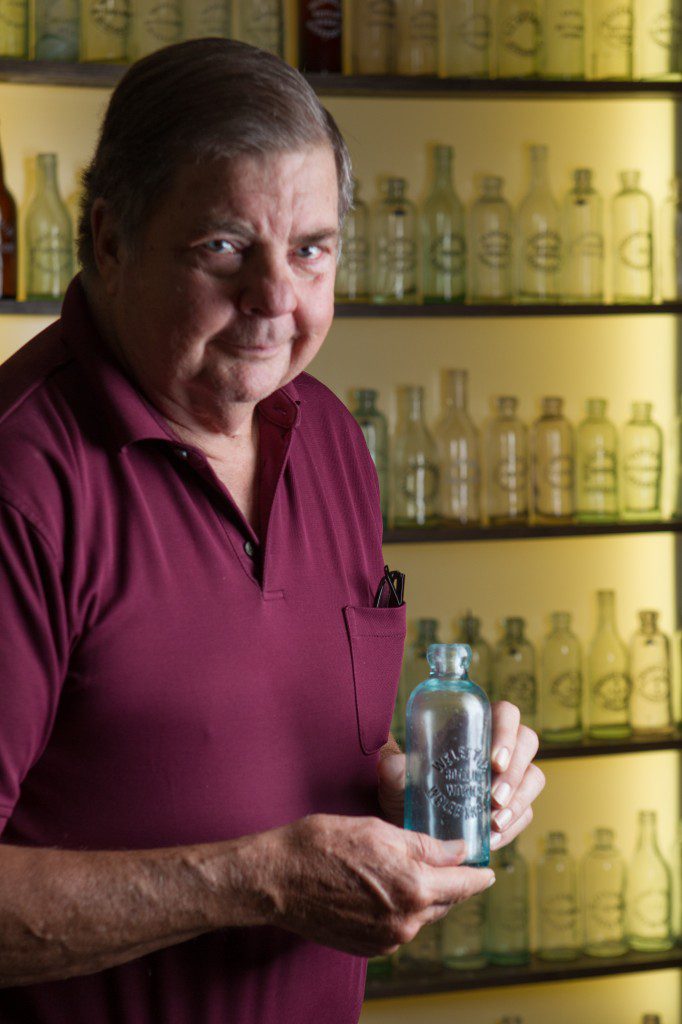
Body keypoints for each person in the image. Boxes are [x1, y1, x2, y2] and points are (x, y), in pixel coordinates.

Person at [0, 39, 544, 1024]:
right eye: (223, 248)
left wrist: (435, 781)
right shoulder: (22, 477)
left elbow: (295, 747)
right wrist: (258, 880)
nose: (276, 301)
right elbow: (270, 860)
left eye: (310, 249)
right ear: (108, 239)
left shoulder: (330, 434)